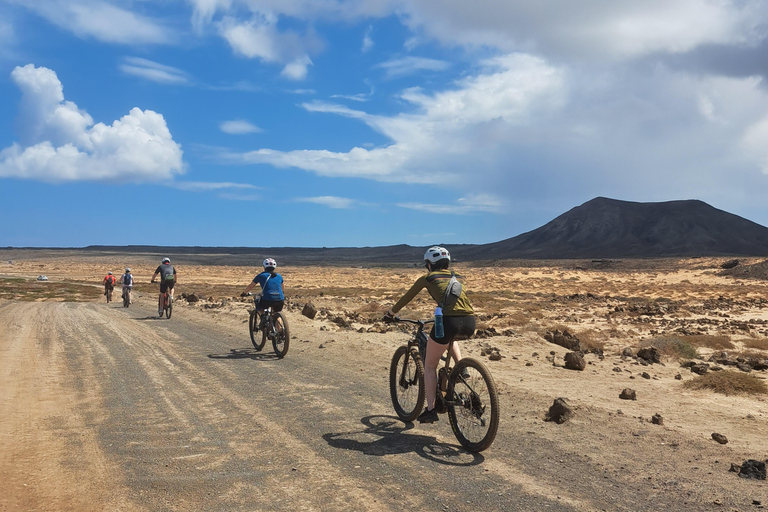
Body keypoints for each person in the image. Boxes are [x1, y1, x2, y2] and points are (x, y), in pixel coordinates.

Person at [384, 246, 476, 424]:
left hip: (449, 322)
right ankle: (461, 368)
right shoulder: (457, 277)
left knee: (429, 366)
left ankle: (431, 409)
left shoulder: (427, 278)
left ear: (429, 264)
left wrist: (391, 313)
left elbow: (407, 297)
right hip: (470, 321)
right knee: (450, 338)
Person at [240, 258, 285, 327]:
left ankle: (263, 316)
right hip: (280, 299)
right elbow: (282, 288)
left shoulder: (261, 275)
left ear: (264, 266)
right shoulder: (279, 276)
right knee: (277, 314)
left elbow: (251, 286)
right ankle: (280, 332)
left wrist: (244, 293)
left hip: (267, 299)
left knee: (258, 302)